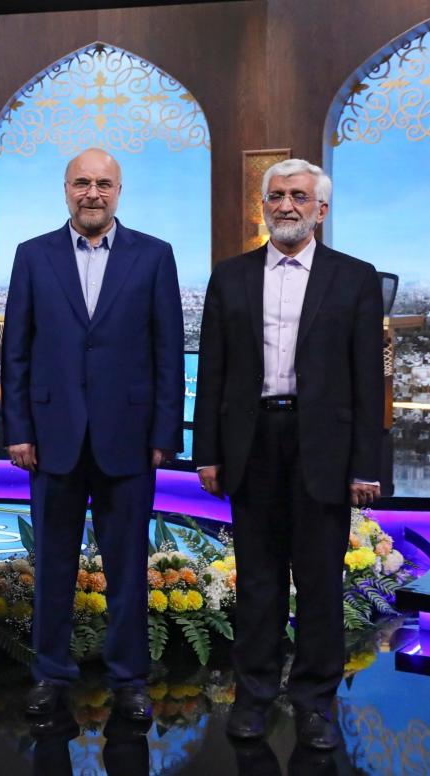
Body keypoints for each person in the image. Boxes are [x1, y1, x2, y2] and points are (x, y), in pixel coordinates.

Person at [194, 158, 382, 750]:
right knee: (257, 582)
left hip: (322, 446)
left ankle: (314, 703)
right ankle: (252, 698)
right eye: (276, 196)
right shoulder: (231, 276)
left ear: (320, 209)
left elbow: (367, 378)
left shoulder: (354, 277)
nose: (286, 206)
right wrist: (208, 454)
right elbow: (214, 372)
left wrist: (367, 465)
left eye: (299, 196)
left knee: (322, 582)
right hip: (253, 444)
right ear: (264, 205)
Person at [1, 147, 183, 723]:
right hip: (51, 438)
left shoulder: (155, 256)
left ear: (119, 191)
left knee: (128, 564)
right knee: (51, 564)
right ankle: (51, 674)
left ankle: (129, 678)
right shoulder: (33, 256)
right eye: (82, 183)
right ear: (65, 189)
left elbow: (168, 353)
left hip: (129, 438)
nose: (93, 193)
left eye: (104, 184)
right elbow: (18, 353)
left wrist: (164, 433)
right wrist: (18, 430)